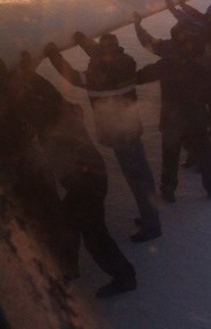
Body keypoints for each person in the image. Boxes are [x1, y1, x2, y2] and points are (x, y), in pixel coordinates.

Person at [10, 49, 137, 298]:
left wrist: (24, 76)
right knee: (70, 224)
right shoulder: (55, 108)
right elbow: (41, 94)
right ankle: (69, 268)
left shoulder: (55, 120)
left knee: (93, 233)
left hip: (86, 181)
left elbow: (30, 101)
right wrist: (27, 72)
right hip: (86, 178)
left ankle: (124, 276)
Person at [45, 34, 161, 242]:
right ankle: (150, 216)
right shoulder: (123, 64)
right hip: (131, 129)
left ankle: (152, 225)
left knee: (137, 179)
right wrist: (82, 41)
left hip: (119, 135)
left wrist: (54, 55)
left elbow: (72, 77)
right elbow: (99, 52)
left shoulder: (99, 75)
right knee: (143, 175)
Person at [133, 13, 211, 202]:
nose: (184, 41)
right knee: (193, 152)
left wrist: (126, 78)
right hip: (189, 115)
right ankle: (209, 186)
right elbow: (149, 44)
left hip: (177, 116)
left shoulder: (172, 57)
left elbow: (145, 70)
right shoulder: (196, 53)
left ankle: (170, 190)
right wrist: (138, 27)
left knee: (174, 154)